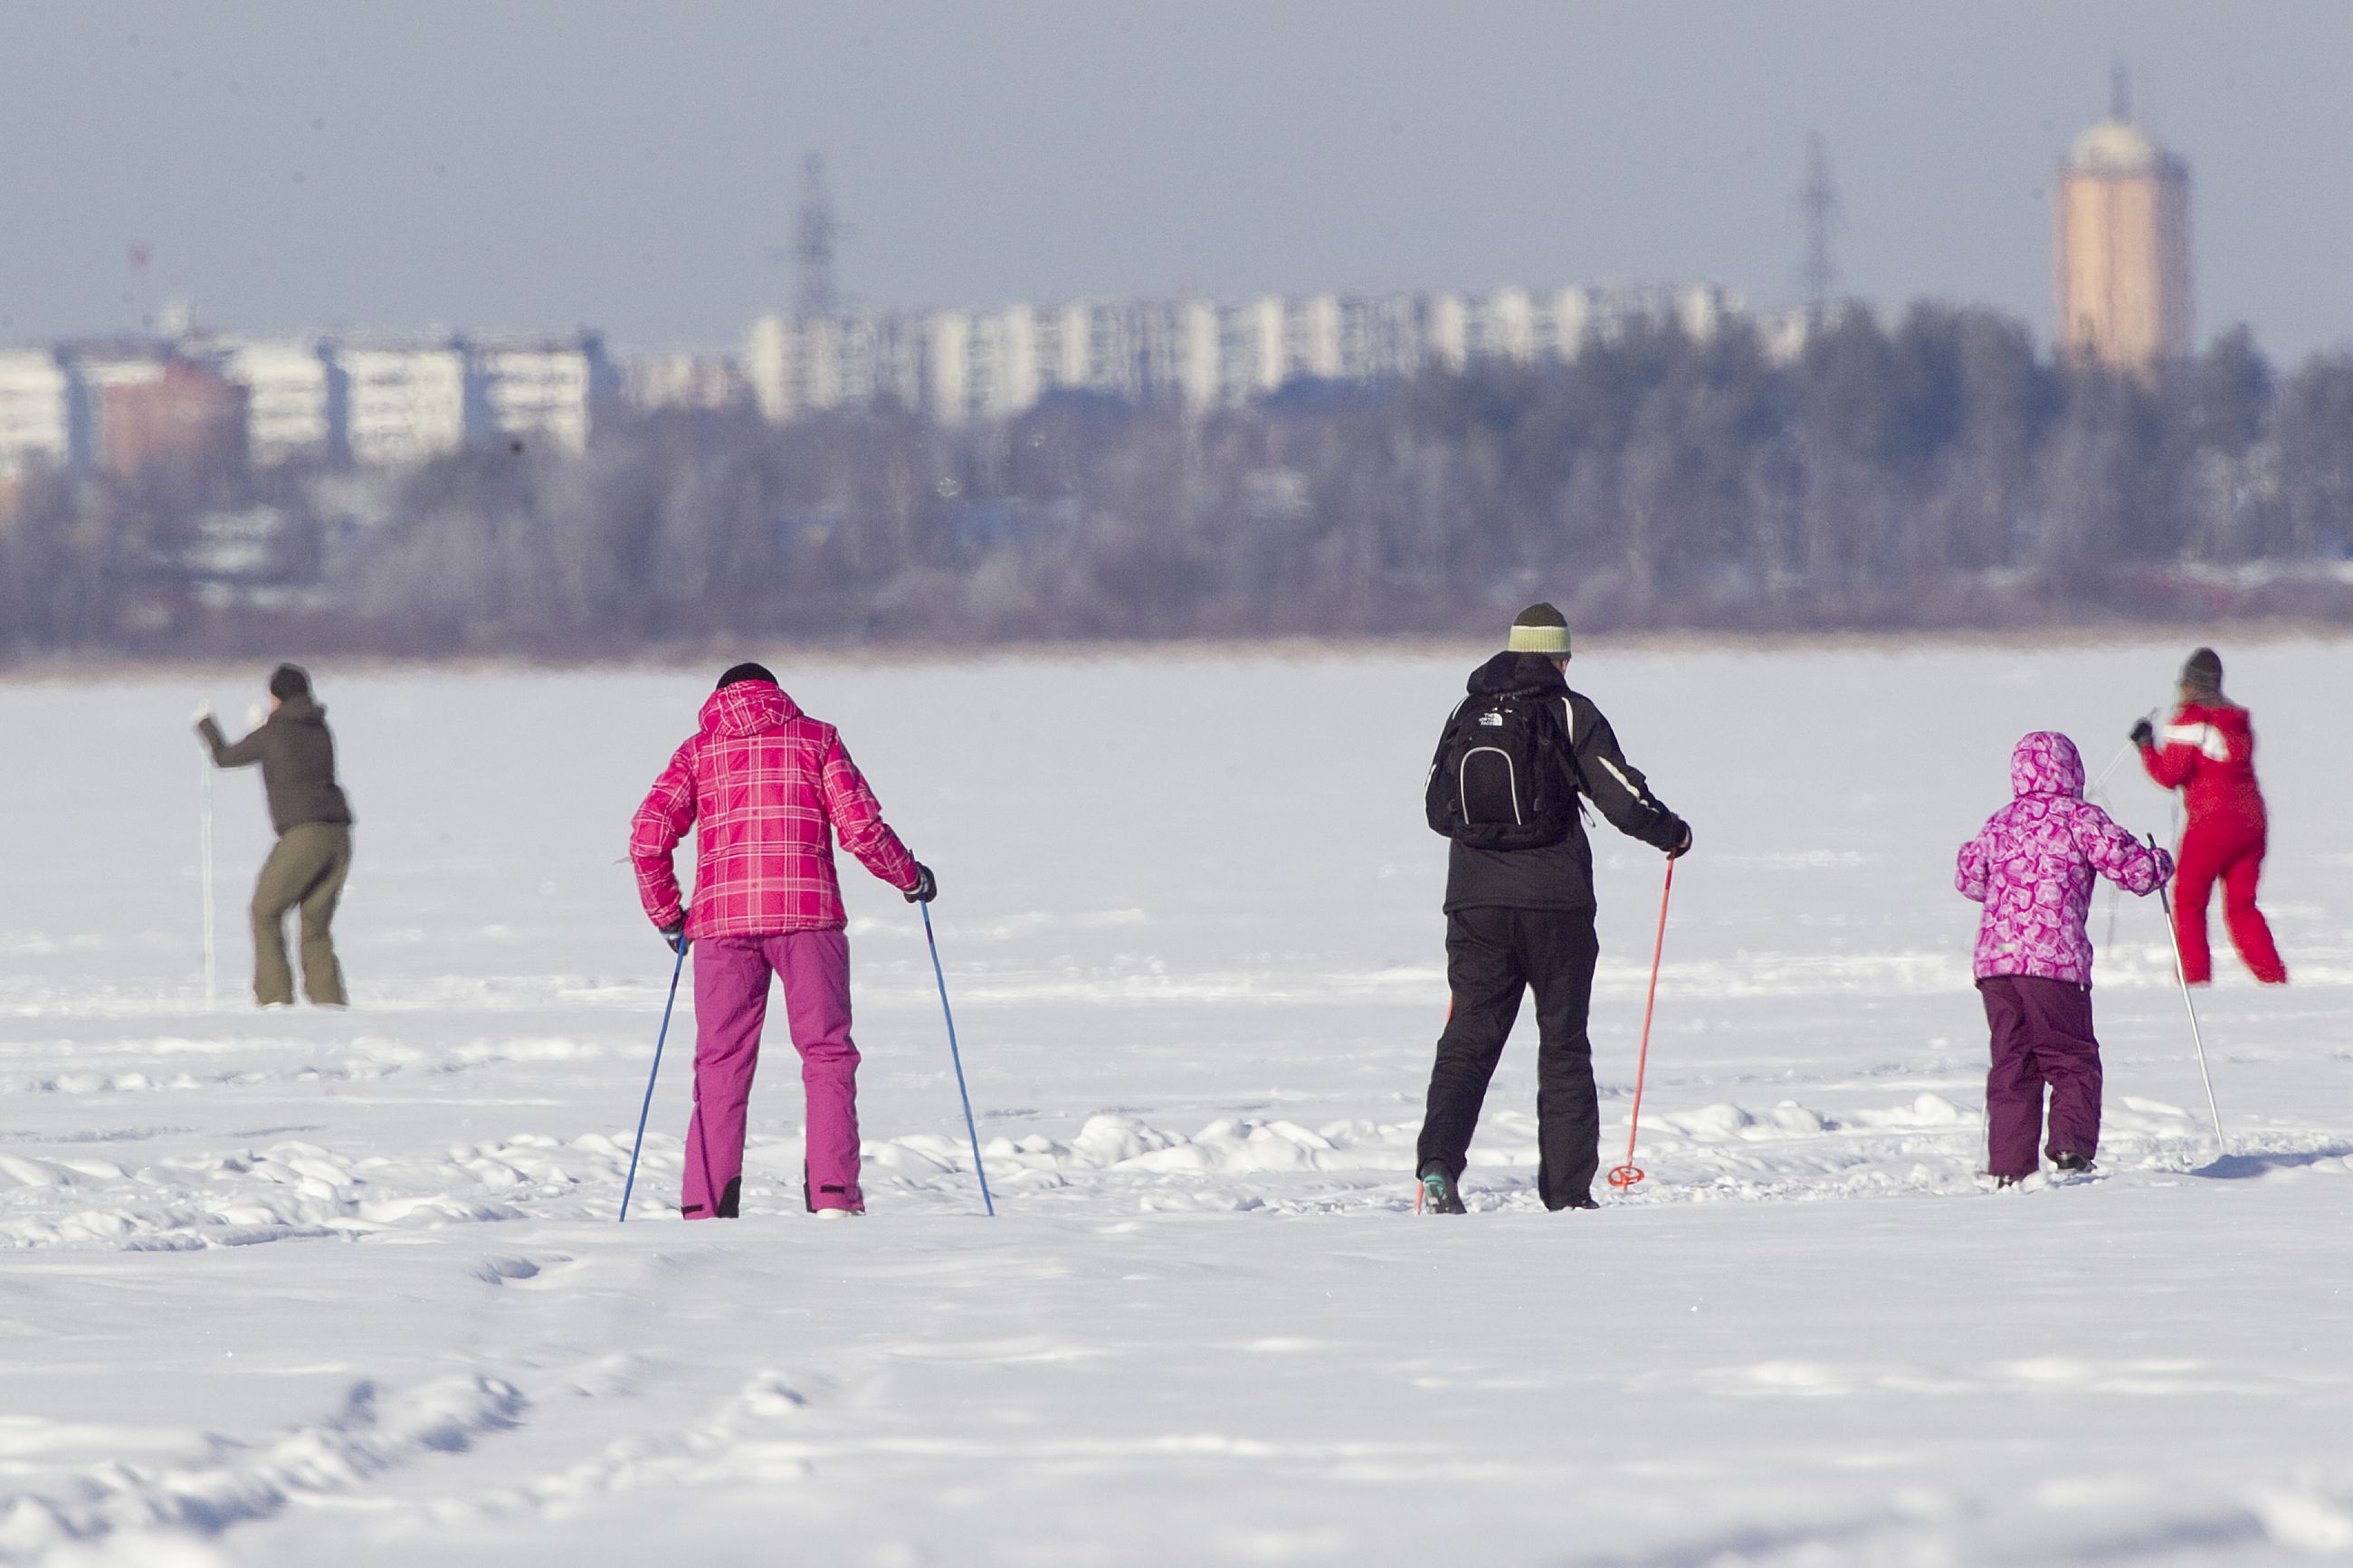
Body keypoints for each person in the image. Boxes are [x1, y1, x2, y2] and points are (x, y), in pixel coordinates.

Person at [629, 661, 933, 1220]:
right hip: (808, 919)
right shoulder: (817, 738)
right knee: (827, 1055)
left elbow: (648, 838)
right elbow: (861, 828)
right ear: (776, 692)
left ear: (719, 699)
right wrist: (909, 877)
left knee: (719, 1064)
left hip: (722, 929)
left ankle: (705, 1205)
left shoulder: (698, 752)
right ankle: (834, 1198)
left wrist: (669, 916)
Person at [1415, 603, 1691, 1215]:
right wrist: (1672, 833)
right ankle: (1568, 1195)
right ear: (1561, 657)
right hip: (1556, 905)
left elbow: (1437, 810)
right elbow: (1620, 796)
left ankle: (1437, 1169)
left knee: (1466, 1041)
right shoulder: (1569, 709)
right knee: (1563, 1044)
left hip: (1474, 906)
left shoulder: (1466, 711)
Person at [1957, 732, 2173, 1186]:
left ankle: (2009, 1167)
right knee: (2071, 1056)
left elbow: (1969, 879)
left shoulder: (2001, 821)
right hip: (2054, 963)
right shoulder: (2080, 818)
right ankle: (2071, 1150)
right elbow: (2133, 872)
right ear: (2073, 770)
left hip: (1996, 966)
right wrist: (2158, 863)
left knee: (2012, 1063)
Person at [194, 663, 356, 1008]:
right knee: (315, 923)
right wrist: (264, 728)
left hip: (304, 835)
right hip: (338, 835)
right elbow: (293, 755)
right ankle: (330, 1004)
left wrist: (205, 725)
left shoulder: (275, 733)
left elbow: (224, 757)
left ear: (275, 697)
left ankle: (274, 1001)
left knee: (265, 911)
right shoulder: (320, 728)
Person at [2130, 647, 2287, 985]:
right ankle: (2273, 978)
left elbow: (2169, 775)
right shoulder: (2238, 721)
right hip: (2252, 821)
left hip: (2212, 824)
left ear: (2190, 685)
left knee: (2189, 901)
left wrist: (2145, 746)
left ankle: (2195, 980)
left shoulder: (2190, 720)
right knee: (2242, 906)